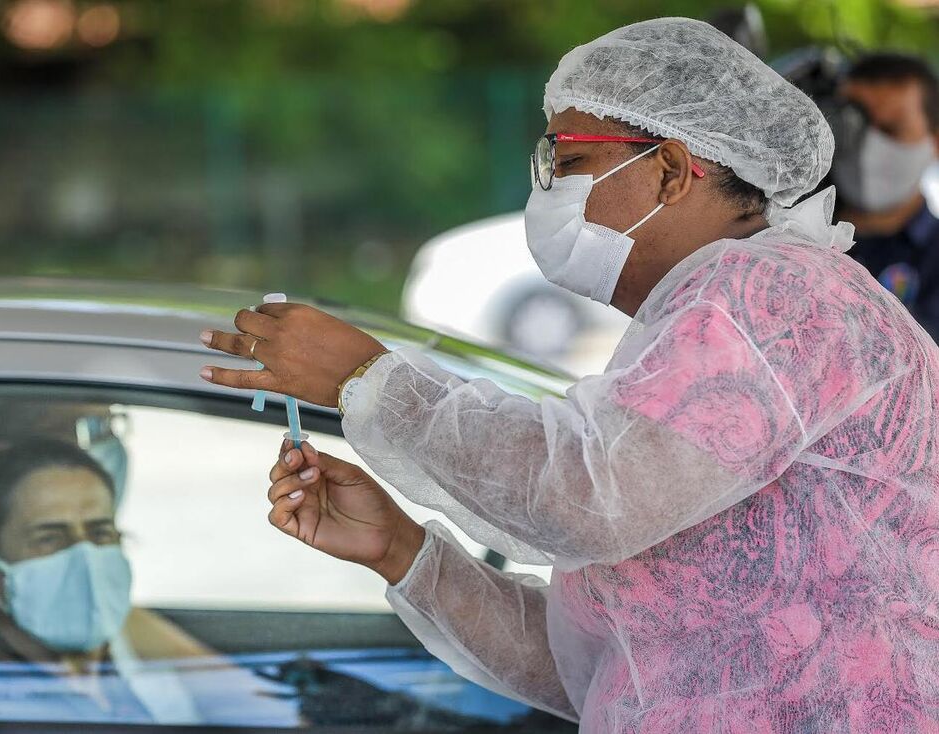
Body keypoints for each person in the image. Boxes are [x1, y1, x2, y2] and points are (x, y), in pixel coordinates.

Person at [199, 18, 939, 733]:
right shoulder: (700, 320)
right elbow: (611, 671)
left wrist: (366, 378)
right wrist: (402, 550)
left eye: (567, 161)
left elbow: (587, 496)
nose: (548, 187)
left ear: (673, 170)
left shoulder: (774, 296)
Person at [0, 439, 212, 723]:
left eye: (100, 533)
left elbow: (250, 699)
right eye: (50, 538)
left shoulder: (127, 634)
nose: (86, 560)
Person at [832, 53, 939, 338]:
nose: (870, 147)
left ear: (935, 142)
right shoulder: (784, 227)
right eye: (856, 126)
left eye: (892, 131)